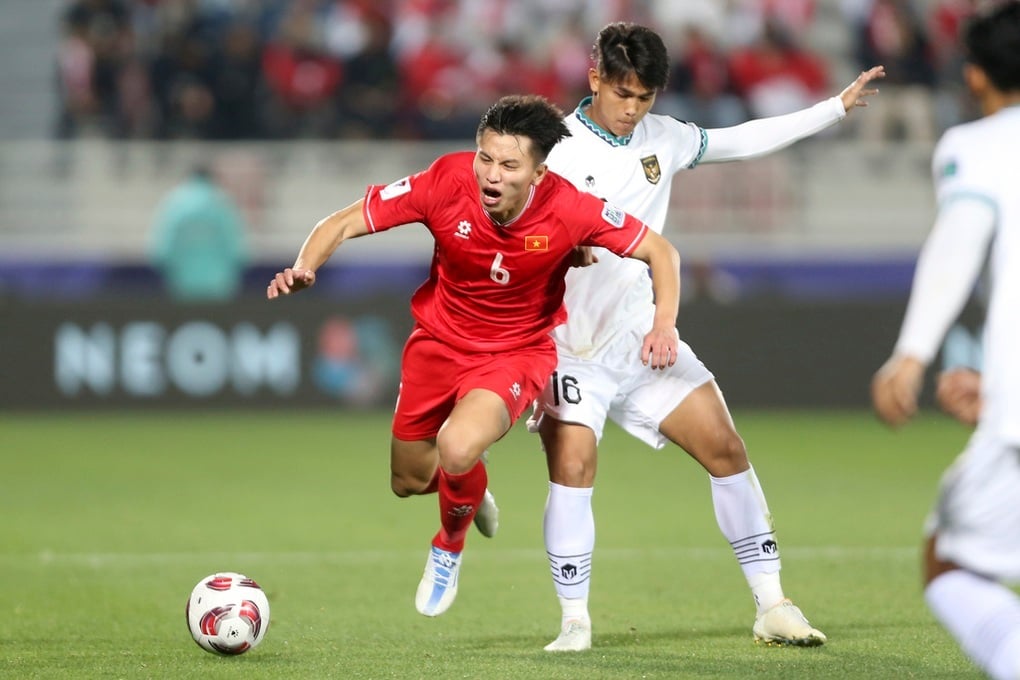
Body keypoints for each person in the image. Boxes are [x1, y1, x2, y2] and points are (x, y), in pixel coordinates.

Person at [527, 21, 885, 651]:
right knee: (575, 467)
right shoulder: (551, 147)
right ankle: (575, 621)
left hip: (640, 335)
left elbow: (743, 140)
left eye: (645, 97)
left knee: (725, 448)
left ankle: (773, 604)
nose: (632, 109)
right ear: (595, 80)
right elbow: (510, 230)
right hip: (567, 345)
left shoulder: (664, 139)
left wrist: (835, 107)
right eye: (622, 93)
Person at [266, 94, 682, 618]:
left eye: (509, 165)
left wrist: (662, 323)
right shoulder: (446, 180)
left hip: (515, 352)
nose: (491, 174)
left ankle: (448, 544)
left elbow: (660, 251)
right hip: (437, 344)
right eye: (485, 157)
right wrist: (306, 266)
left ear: (537, 171)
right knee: (409, 481)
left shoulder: (570, 208)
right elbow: (345, 221)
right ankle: (468, 489)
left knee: (457, 446)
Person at [871, 4, 1020, 678]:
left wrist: (913, 353)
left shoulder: (980, 145)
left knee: (949, 560)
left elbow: (960, 241)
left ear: (976, 76)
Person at [149, 164, 249, 302]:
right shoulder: (222, 203)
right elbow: (239, 251)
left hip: (182, 287)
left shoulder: (174, 204)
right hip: (219, 287)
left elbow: (161, 252)